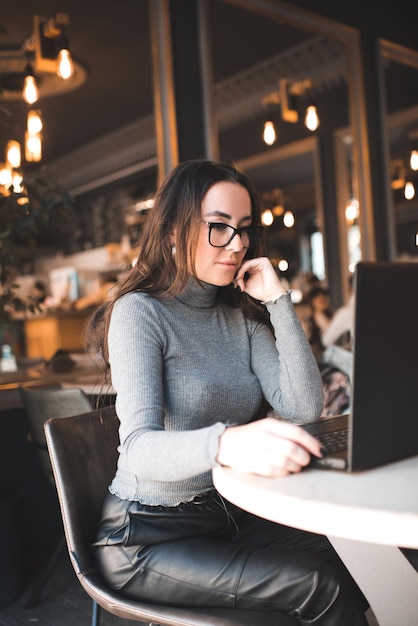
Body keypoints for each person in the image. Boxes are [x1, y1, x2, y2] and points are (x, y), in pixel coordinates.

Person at [86, 160, 369, 625]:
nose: (236, 245)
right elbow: (138, 450)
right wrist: (226, 442)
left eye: (243, 230)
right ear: (175, 230)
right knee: (320, 583)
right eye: (219, 227)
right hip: (146, 535)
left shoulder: (238, 315)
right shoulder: (139, 313)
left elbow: (301, 407)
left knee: (357, 551)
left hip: (227, 515)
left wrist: (278, 300)